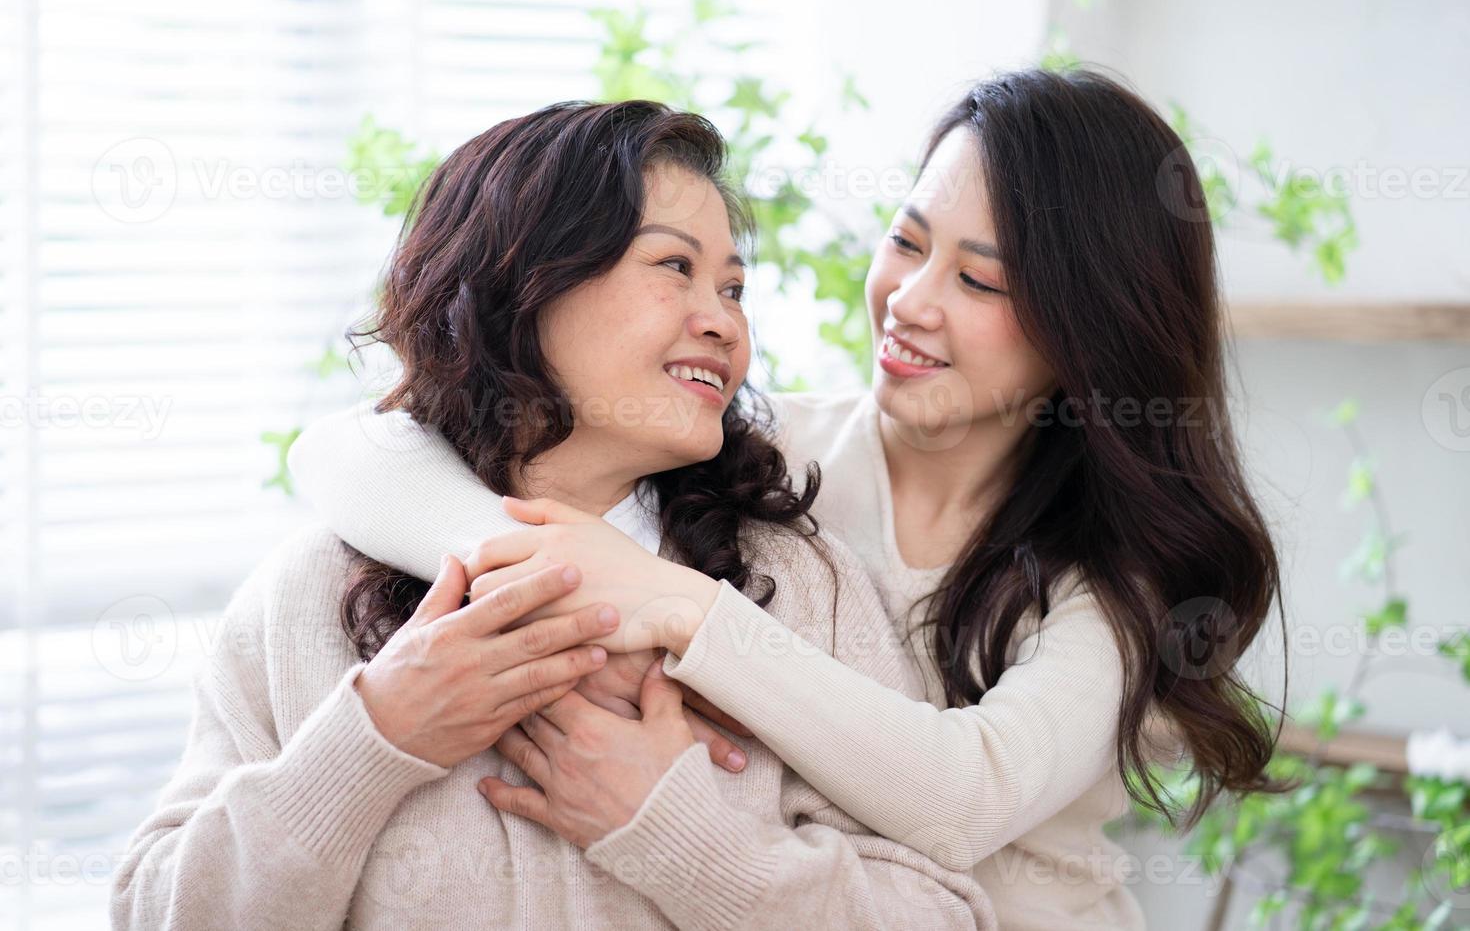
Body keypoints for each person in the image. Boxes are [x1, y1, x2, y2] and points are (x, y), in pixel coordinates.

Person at [288, 67, 1287, 930]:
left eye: (979, 281)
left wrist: (668, 599)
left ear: (1088, 331)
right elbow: (349, 450)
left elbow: (960, 797)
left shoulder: (1114, 587)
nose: (910, 297)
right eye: (907, 239)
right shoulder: (767, 461)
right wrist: (536, 561)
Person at [111, 99, 996, 930]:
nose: (725, 325)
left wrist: (685, 836)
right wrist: (375, 737)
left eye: (732, 289)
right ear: (523, 284)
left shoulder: (799, 585)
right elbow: (160, 912)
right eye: (675, 267)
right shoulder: (311, 593)